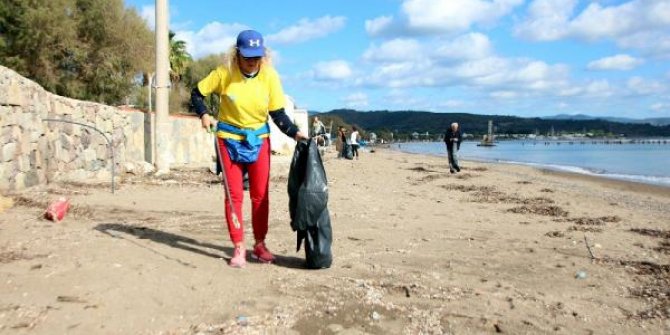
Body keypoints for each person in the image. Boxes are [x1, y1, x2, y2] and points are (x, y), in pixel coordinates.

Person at [191, 29, 307, 268]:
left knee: (260, 195)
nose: (253, 62)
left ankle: (260, 244)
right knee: (233, 197)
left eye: (257, 57)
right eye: (248, 57)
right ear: (237, 55)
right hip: (228, 139)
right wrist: (204, 114)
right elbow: (197, 93)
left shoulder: (269, 76)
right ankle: (238, 247)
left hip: (259, 140)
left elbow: (277, 114)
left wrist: (295, 133)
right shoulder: (224, 74)